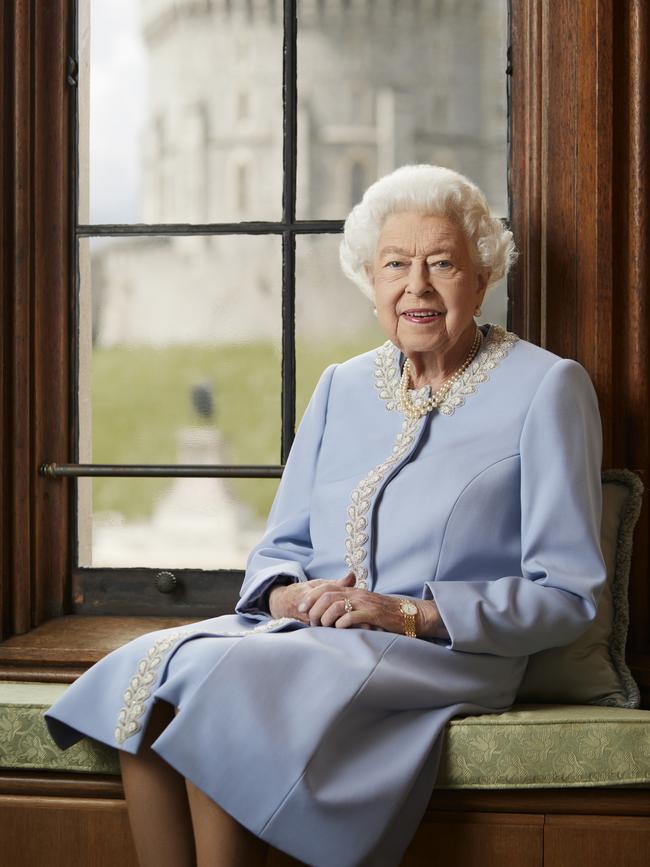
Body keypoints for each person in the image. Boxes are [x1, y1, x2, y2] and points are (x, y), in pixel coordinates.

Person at [45, 164, 606, 867]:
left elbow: (568, 593)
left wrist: (401, 612)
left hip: (441, 655)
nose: (417, 287)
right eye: (395, 265)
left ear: (483, 273)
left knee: (228, 688)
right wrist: (289, 592)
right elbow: (278, 547)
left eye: (441, 263)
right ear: (371, 282)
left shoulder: (547, 387)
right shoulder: (341, 386)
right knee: (152, 673)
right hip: (304, 639)